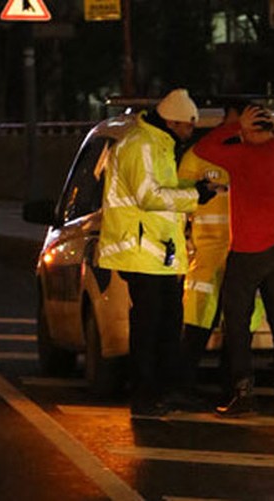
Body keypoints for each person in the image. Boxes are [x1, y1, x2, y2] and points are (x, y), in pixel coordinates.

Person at [97, 88, 217, 417]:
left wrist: (195, 191)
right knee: (149, 326)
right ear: (171, 121)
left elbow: (163, 192)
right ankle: (145, 396)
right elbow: (149, 195)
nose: (190, 133)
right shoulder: (141, 145)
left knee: (166, 325)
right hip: (140, 251)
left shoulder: (160, 144)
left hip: (158, 252)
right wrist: (195, 196)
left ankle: (165, 391)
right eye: (188, 126)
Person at [193, 104, 274, 417]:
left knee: (237, 324)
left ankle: (243, 391)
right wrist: (267, 125)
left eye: (244, 131)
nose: (240, 135)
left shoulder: (242, 157)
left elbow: (204, 148)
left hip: (247, 253)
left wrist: (232, 126)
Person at [177, 103, 263, 406]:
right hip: (210, 251)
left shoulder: (256, 151)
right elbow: (178, 197)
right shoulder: (201, 154)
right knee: (200, 319)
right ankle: (184, 386)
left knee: (240, 323)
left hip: (245, 249)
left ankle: (232, 388)